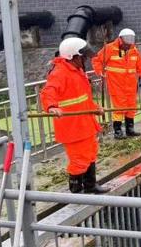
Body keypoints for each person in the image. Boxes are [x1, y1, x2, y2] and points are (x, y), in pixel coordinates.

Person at [40, 37, 108, 193]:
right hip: (72, 127)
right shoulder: (60, 72)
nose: (85, 59)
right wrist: (51, 107)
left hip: (85, 123)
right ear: (72, 56)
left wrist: (95, 108)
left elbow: (82, 98)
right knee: (79, 159)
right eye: (83, 56)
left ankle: (90, 185)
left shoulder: (77, 71)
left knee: (91, 153)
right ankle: (76, 189)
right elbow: (48, 92)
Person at [92, 28, 141, 139]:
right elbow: (97, 60)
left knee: (131, 106)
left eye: (130, 41)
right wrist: (100, 72)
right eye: (126, 41)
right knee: (119, 107)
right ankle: (118, 131)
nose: (128, 44)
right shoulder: (109, 48)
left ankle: (130, 129)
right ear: (120, 39)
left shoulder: (134, 50)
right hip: (116, 84)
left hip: (131, 85)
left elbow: (140, 66)